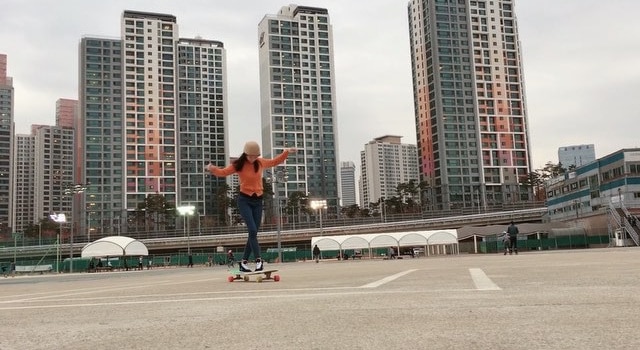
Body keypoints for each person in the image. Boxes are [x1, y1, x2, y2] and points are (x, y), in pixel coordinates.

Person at [206, 141, 295, 272]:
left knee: (253, 233)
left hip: (258, 201)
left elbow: (274, 162)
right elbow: (223, 172)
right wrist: (212, 169)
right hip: (244, 200)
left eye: (255, 156)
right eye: (251, 156)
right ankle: (259, 261)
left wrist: (286, 152)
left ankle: (243, 263)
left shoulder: (260, 162)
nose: (253, 158)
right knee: (252, 230)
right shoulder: (238, 164)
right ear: (245, 154)